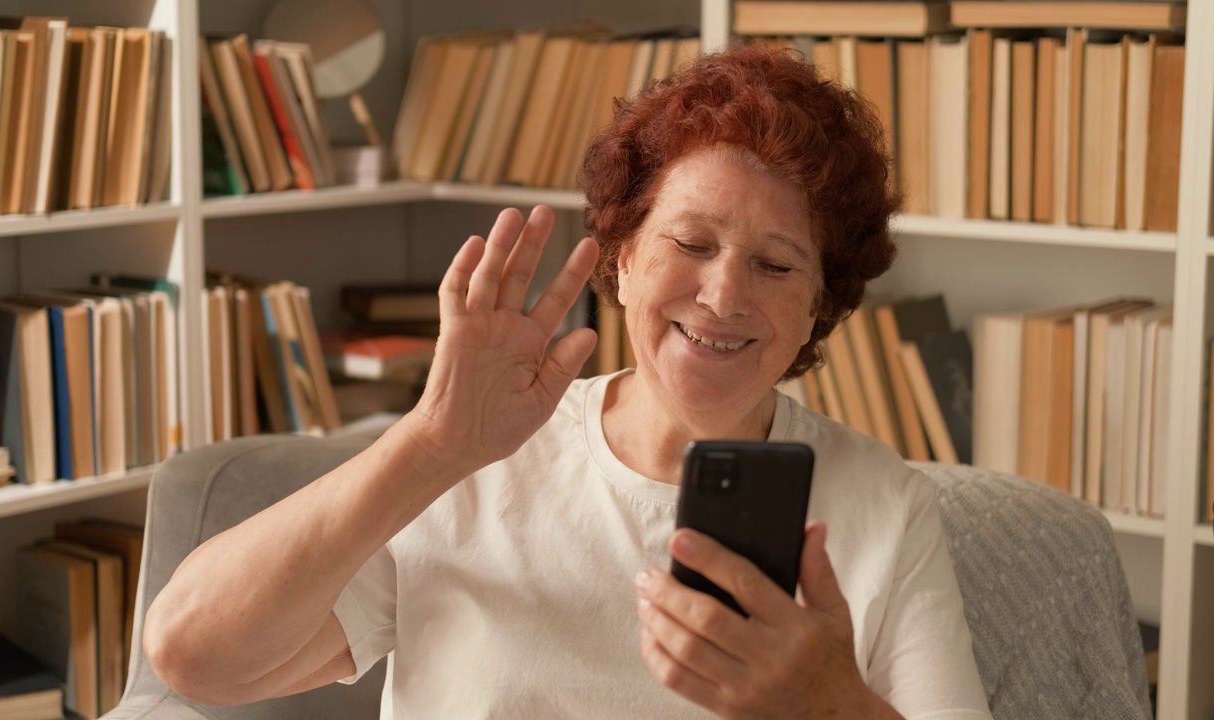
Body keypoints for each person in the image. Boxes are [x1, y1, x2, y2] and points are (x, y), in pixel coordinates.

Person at [144, 44, 993, 719]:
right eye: (691, 245)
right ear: (622, 260)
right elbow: (193, 656)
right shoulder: (469, 456)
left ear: (820, 304)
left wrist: (831, 711)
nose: (724, 295)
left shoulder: (886, 507)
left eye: (775, 265)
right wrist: (430, 442)